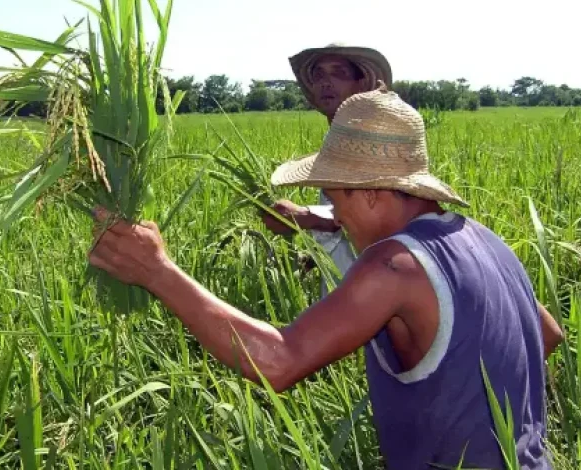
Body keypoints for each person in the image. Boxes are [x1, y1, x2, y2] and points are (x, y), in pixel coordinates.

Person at [87, 86, 564, 469]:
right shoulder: (483, 238)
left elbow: (278, 362)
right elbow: (546, 334)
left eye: (336, 200)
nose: (336, 214)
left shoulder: (393, 266)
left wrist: (158, 271)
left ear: (373, 194)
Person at [261, 43, 393, 296]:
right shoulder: (336, 139)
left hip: (375, 296)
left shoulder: (376, 139)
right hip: (345, 291)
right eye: (319, 75)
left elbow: (378, 212)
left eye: (338, 73)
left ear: (362, 82)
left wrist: (304, 216)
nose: (325, 82)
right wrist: (311, 256)